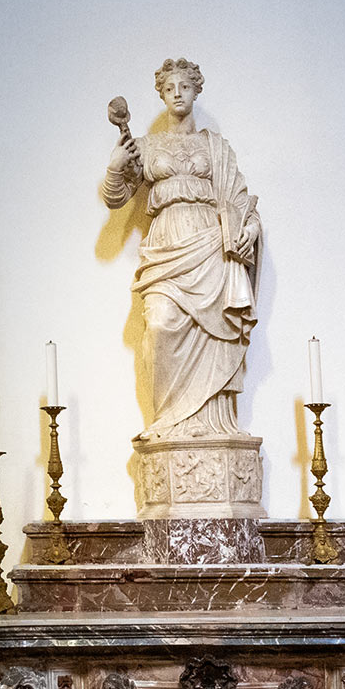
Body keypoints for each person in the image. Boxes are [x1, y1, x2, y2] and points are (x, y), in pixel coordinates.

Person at [102, 58, 260, 440]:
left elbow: (242, 203)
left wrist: (250, 230)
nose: (177, 93)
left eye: (185, 87)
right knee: (158, 324)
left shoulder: (216, 148)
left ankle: (210, 426)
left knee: (213, 333)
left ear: (195, 91)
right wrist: (115, 167)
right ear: (161, 93)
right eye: (170, 87)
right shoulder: (143, 146)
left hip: (211, 250)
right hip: (167, 249)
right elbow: (116, 198)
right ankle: (167, 423)